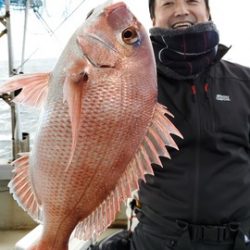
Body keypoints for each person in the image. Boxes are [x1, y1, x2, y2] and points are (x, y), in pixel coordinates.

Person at [91, 0, 250, 249]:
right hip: (158, 239)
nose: (181, 10)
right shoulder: (133, 86)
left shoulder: (244, 81)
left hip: (238, 240)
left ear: (208, 12)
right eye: (168, 3)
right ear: (152, 20)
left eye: (192, 1)